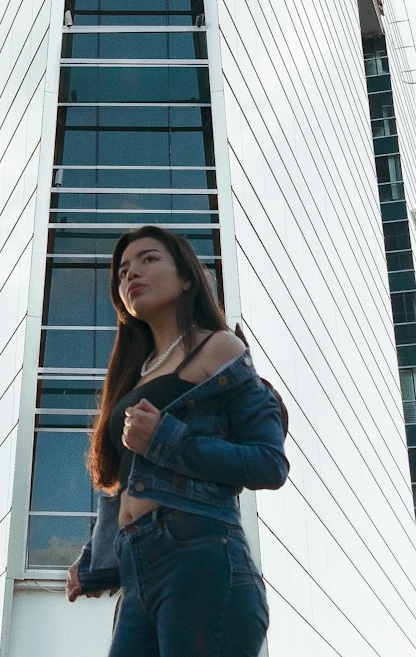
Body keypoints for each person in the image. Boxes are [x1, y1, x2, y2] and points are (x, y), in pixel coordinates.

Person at [65, 225, 288, 657]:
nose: (132, 274)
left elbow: (268, 463)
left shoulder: (221, 349)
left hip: (199, 557)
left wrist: (166, 439)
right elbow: (128, 482)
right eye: (123, 270)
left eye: (149, 259)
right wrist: (95, 558)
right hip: (137, 572)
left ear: (187, 276)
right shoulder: (134, 373)